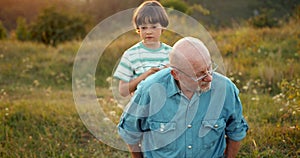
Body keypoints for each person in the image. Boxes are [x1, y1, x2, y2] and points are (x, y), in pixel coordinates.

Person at [118, 37, 249, 158]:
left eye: (209, 68)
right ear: (176, 74)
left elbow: (236, 131)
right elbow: (130, 132)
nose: (209, 78)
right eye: (200, 74)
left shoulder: (225, 89)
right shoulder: (149, 90)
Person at [113, 1, 172, 97]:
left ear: (163, 28)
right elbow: (123, 91)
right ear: (138, 29)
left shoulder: (172, 53)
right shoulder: (130, 54)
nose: (148, 32)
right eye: (144, 28)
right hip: (140, 109)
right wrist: (146, 76)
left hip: (167, 108)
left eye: (153, 27)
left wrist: (169, 73)